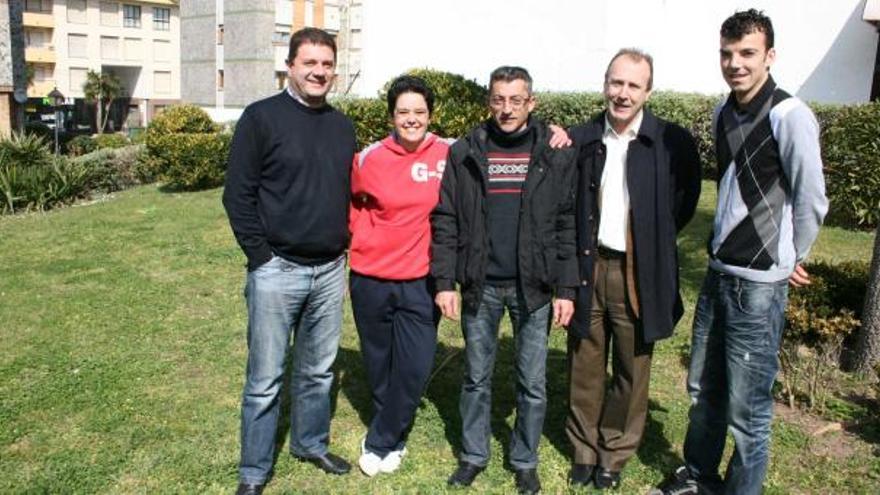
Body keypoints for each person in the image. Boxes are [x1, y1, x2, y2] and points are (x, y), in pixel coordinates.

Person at [652, 10, 828, 495]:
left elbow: (811, 199)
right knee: (704, 391)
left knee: (747, 410)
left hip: (758, 287)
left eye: (747, 53)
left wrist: (791, 257)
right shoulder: (722, 112)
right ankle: (699, 478)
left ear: (769, 56)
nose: (735, 63)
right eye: (727, 54)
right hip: (717, 273)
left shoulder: (790, 116)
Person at [431, 66, 578, 495]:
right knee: (477, 376)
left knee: (532, 382)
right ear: (489, 101)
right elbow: (446, 219)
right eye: (499, 99)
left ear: (531, 102)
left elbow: (566, 224)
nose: (507, 109)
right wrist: (445, 281)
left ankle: (524, 459)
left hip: (532, 287)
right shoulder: (465, 151)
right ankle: (474, 455)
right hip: (481, 284)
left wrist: (566, 289)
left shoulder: (555, 152)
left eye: (516, 100)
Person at [222, 27, 357, 495]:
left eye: (326, 64)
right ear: (290, 66)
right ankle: (254, 472)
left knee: (318, 371)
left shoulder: (343, 126)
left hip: (329, 270)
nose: (319, 72)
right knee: (265, 378)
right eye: (310, 63)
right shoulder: (261, 118)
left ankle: (310, 442)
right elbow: (237, 195)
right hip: (277, 268)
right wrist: (261, 258)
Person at [565, 48, 701, 490]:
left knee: (631, 365)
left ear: (648, 91)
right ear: (605, 84)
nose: (622, 94)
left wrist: (647, 240)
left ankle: (615, 452)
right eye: (616, 83)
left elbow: (683, 203)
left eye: (633, 86)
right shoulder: (582, 137)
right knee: (584, 362)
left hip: (637, 271)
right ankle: (584, 451)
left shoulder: (670, 142)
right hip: (591, 265)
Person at [348, 75, 453, 477]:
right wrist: (360, 234)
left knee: (414, 366)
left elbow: (501, 138)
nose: (411, 119)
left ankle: (379, 440)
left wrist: (554, 131)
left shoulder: (449, 153)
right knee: (379, 362)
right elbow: (350, 201)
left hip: (421, 280)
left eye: (419, 112)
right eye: (403, 112)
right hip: (370, 276)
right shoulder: (369, 158)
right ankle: (392, 433)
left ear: (430, 114)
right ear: (392, 115)